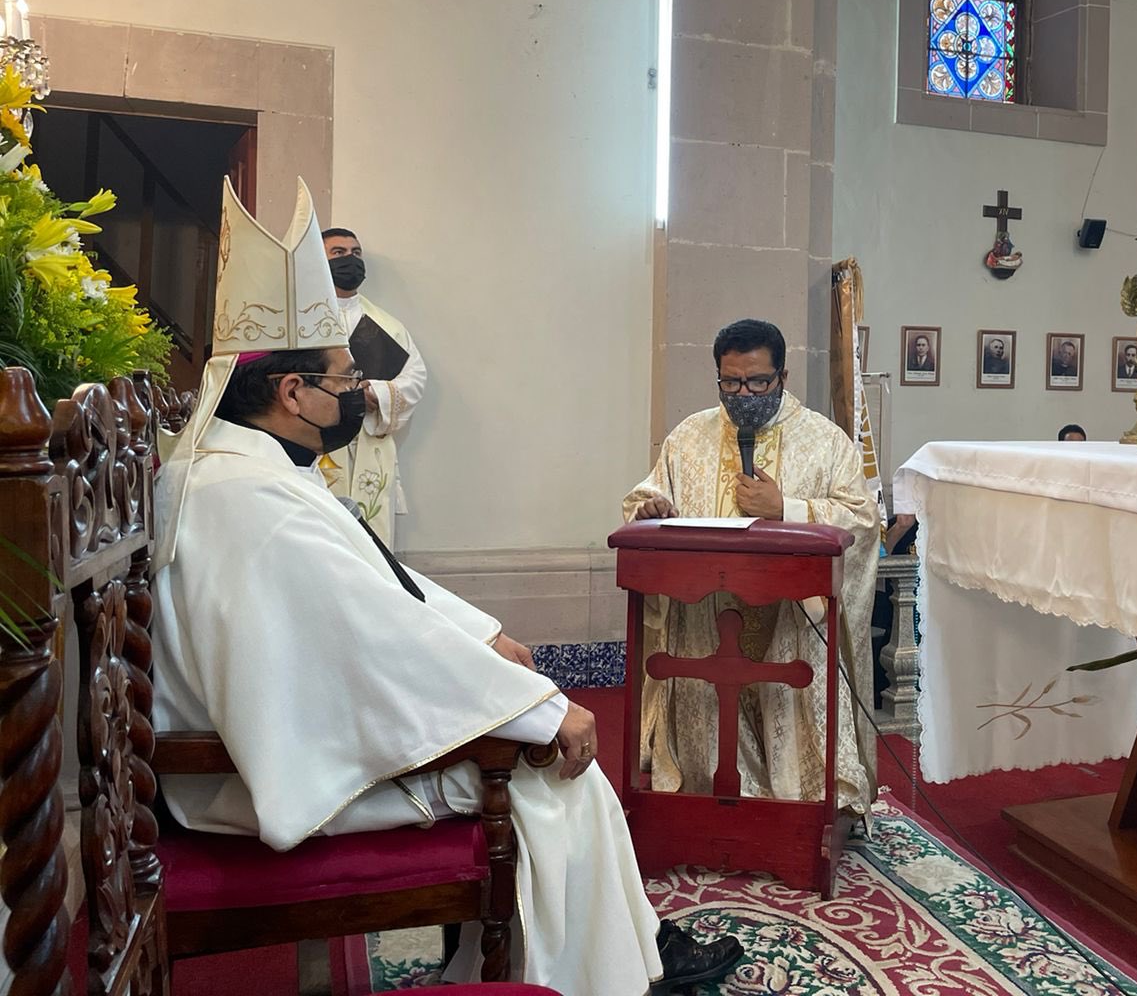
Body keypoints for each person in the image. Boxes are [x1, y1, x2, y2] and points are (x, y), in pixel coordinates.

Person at [152, 178, 741, 995]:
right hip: (258, 771)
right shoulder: (253, 500)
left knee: (537, 744)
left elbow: (374, 585)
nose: (357, 391)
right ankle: (605, 976)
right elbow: (370, 638)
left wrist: (481, 636)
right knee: (557, 780)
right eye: (342, 378)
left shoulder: (237, 466)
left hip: (265, 736)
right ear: (291, 393)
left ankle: (611, 951)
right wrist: (537, 709)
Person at [623, 319, 879, 813]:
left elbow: (864, 520)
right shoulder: (689, 435)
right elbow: (652, 490)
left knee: (787, 705)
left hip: (791, 621)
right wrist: (650, 508)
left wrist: (788, 508)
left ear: (783, 376)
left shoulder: (825, 441)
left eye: (758, 381)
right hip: (705, 613)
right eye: (731, 382)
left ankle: (801, 805)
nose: (744, 394)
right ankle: (708, 794)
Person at [315, 226, 427, 545]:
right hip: (319, 438)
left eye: (356, 253)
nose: (350, 259)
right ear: (319, 261)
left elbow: (415, 377)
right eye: (338, 253)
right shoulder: (303, 321)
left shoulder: (387, 326)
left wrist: (374, 393)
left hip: (366, 441)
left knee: (370, 544)